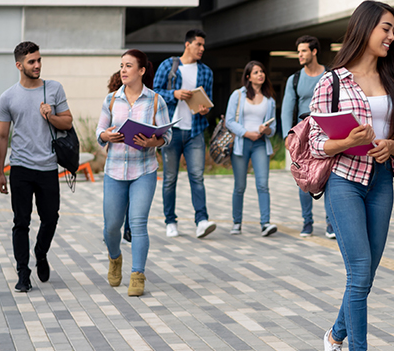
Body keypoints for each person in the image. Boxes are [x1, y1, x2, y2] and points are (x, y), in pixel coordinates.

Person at [311, 0, 394, 351]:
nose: (391, 37)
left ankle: (334, 336)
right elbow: (317, 142)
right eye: (385, 29)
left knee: (366, 274)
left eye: (393, 31)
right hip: (344, 183)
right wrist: (346, 141)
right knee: (358, 271)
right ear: (366, 28)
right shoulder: (332, 82)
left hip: (382, 185)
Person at [0, 41, 74, 293]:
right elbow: (2, 137)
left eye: (39, 60)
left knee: (51, 218)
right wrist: (0, 172)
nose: (37, 65)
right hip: (20, 168)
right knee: (21, 222)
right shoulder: (8, 97)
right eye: (31, 61)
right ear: (19, 65)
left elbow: (68, 123)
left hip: (48, 167)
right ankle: (22, 272)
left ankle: (41, 252)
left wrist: (50, 115)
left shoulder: (54, 89)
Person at [96, 50, 171, 297]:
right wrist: (107, 136)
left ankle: (137, 274)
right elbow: (99, 133)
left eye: (129, 66)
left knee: (138, 223)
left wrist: (154, 143)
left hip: (144, 170)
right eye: (121, 66)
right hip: (114, 170)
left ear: (141, 70)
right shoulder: (110, 99)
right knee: (111, 227)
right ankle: (115, 257)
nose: (123, 70)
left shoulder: (157, 101)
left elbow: (166, 136)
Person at [153, 29, 217, 239]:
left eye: (203, 45)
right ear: (187, 45)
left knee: (197, 177)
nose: (202, 49)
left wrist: (205, 108)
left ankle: (202, 220)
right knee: (170, 178)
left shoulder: (206, 72)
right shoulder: (169, 65)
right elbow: (155, 93)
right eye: (198, 44)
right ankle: (170, 221)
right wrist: (174, 94)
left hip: (195, 131)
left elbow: (207, 100)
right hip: (171, 131)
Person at [281, 35, 334, 238]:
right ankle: (307, 222)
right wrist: (288, 135)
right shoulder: (294, 80)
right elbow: (286, 109)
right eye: (298, 52)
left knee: (328, 177)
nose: (300, 55)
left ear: (314, 51)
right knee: (304, 178)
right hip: (303, 136)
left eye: (303, 51)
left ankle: (330, 224)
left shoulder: (329, 75)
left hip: (327, 134)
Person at [226, 61, 278, 237]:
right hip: (242, 143)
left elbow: (274, 127)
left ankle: (265, 223)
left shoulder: (269, 100)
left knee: (263, 184)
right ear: (248, 77)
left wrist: (267, 130)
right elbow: (229, 121)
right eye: (256, 72)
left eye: (262, 71)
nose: (260, 75)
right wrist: (246, 133)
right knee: (240, 185)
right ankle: (236, 222)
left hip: (261, 144)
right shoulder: (238, 95)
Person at [108, 70, 133, 244]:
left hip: (138, 163)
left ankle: (129, 228)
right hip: (116, 163)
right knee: (124, 200)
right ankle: (124, 230)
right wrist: (105, 136)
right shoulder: (111, 101)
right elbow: (102, 131)